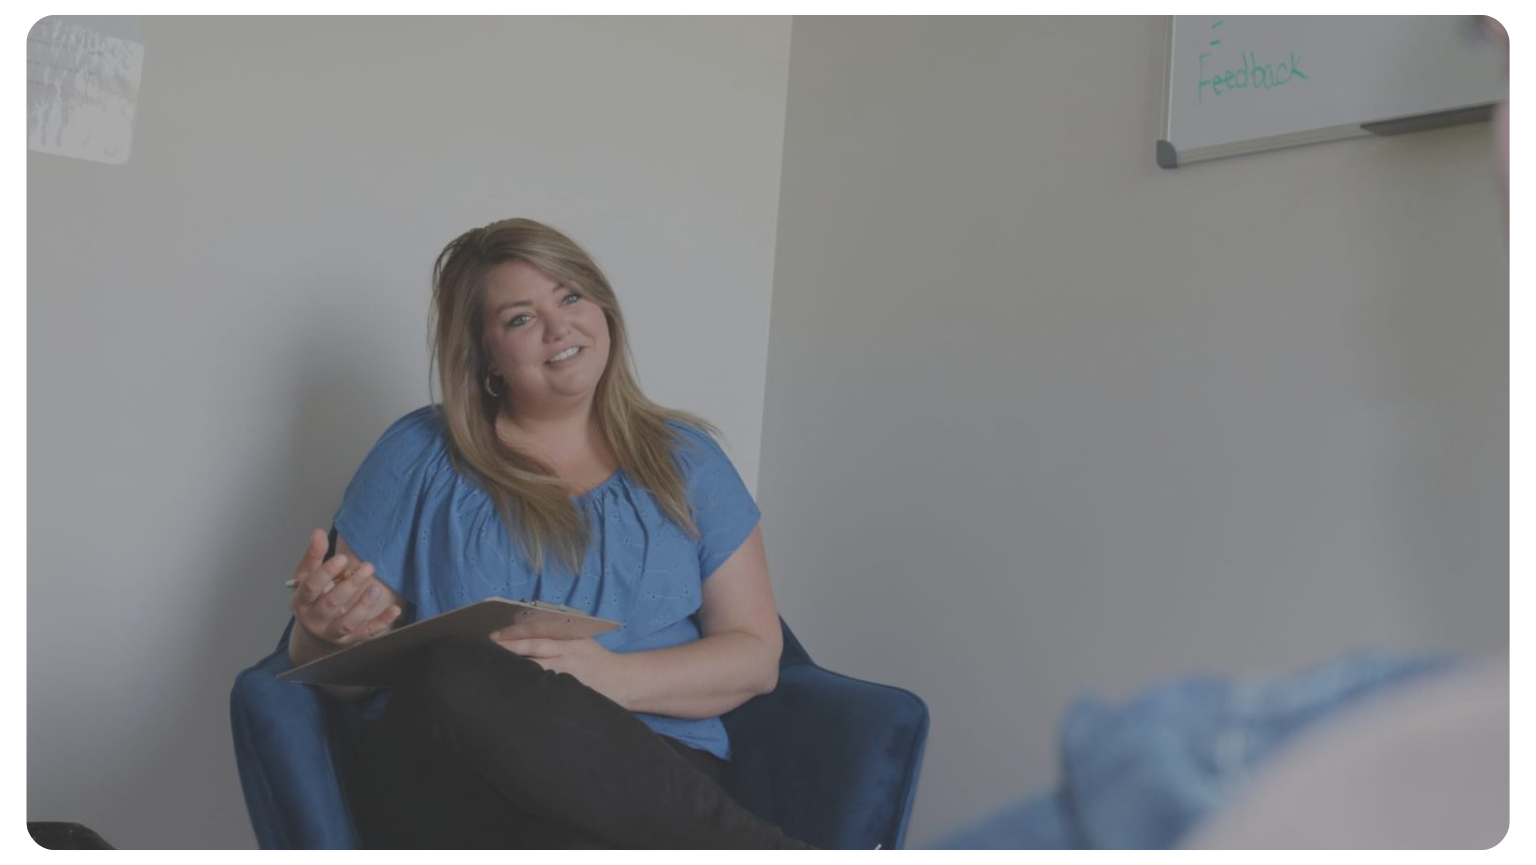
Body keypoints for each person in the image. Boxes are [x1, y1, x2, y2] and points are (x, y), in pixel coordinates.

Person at [284, 218, 815, 850]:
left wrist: (611, 680)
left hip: (649, 782)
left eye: (570, 297)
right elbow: (341, 673)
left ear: (603, 308)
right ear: (484, 356)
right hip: (455, 779)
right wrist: (321, 636)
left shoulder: (688, 461)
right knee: (452, 666)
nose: (559, 327)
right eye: (519, 318)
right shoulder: (417, 457)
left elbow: (756, 657)